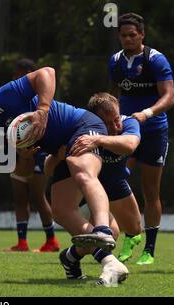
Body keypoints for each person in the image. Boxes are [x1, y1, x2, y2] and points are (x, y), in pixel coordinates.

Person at [0, 69, 128, 285]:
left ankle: (102, 230)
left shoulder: (2, 98)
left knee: (79, 167)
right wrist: (25, 155)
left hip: (81, 126)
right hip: (60, 150)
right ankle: (94, 260)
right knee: (60, 211)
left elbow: (47, 73)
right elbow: (24, 171)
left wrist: (42, 111)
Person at [46, 93, 141, 283]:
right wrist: (58, 156)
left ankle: (70, 257)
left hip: (114, 183)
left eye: (116, 119)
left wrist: (98, 139)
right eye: (108, 123)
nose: (115, 127)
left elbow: (130, 144)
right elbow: (48, 170)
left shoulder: (128, 122)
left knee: (135, 228)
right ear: (94, 119)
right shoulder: (79, 130)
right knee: (109, 234)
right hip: (85, 189)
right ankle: (108, 265)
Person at [109, 13, 174, 265]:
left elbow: (169, 96)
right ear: (119, 36)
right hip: (126, 131)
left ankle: (149, 248)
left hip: (154, 130)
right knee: (116, 180)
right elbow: (113, 94)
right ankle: (130, 236)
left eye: (132, 35)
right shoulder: (115, 61)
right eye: (123, 35)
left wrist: (146, 114)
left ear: (142, 35)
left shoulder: (155, 60)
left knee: (150, 191)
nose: (127, 39)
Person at [5, 58, 60, 252]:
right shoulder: (12, 101)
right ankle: (22, 242)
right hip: (18, 154)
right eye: (15, 75)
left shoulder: (39, 100)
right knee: (19, 197)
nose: (16, 79)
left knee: (38, 196)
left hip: (39, 153)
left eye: (20, 75)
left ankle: (52, 240)